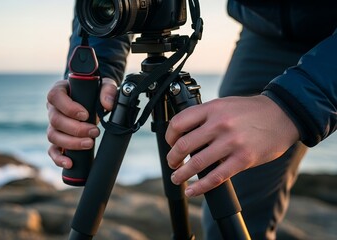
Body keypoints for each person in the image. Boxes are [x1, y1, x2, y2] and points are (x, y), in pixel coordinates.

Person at [47, 1, 337, 239]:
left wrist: (287, 108)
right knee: (232, 216)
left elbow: (288, 109)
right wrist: (97, 67)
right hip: (267, 26)